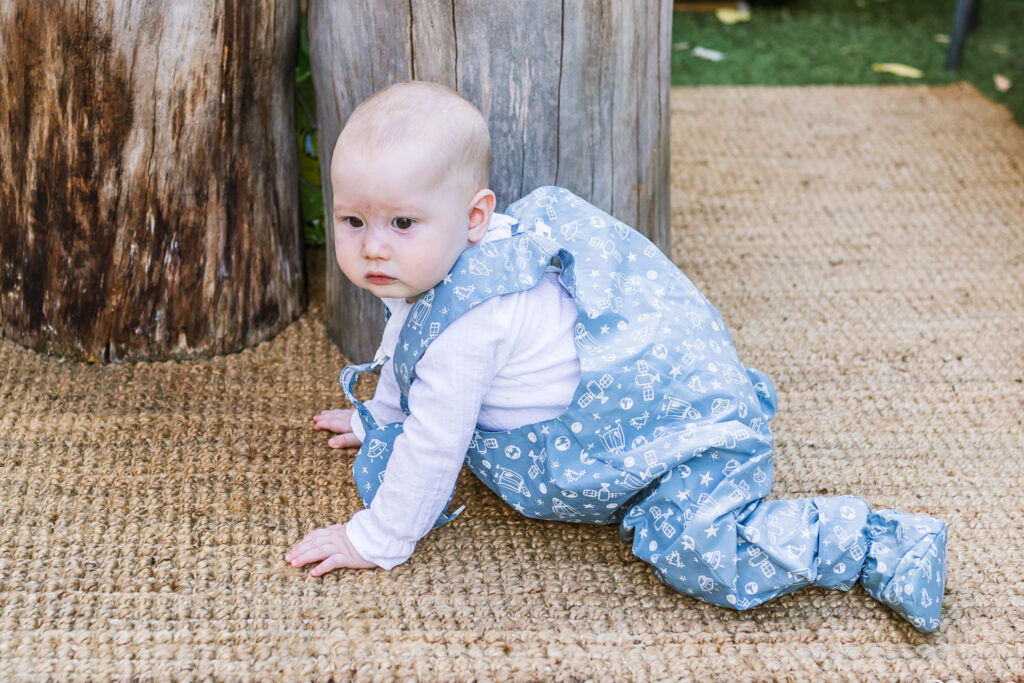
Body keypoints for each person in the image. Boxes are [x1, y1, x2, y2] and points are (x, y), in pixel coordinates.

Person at [285, 81, 948, 633]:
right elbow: (409, 349)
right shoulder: (451, 266)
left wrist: (375, 537)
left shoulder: (472, 324)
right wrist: (381, 415)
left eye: (401, 223)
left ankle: (871, 542)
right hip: (641, 399)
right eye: (353, 222)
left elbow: (435, 443)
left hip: (664, 443)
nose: (373, 247)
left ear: (476, 217)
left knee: (702, 552)